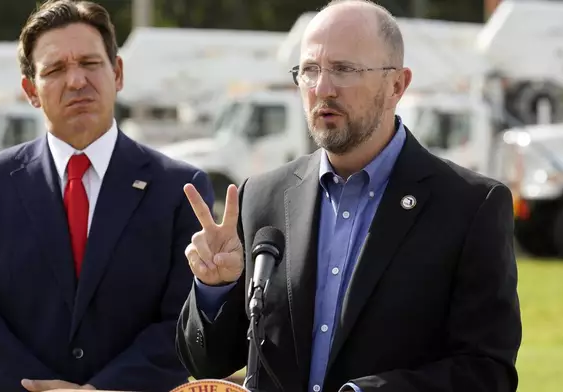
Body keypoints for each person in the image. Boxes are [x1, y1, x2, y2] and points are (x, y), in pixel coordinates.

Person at [176, 1, 522, 391]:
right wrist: (214, 290)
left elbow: (487, 372)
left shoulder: (470, 206)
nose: (323, 88)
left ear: (397, 85)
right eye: (310, 70)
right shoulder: (263, 197)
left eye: (344, 69)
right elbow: (209, 362)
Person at [0, 1, 214, 391]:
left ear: (117, 73)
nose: (77, 80)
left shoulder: (180, 189)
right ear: (31, 91)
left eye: (90, 63)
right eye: (55, 69)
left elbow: (183, 321)